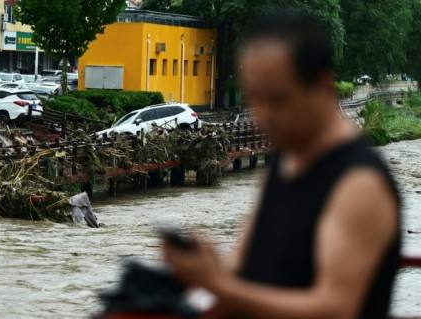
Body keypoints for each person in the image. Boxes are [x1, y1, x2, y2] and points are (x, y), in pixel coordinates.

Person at [163, 9, 400, 319]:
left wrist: (216, 284)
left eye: (277, 99)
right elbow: (245, 262)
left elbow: (336, 309)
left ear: (322, 85)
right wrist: (205, 268)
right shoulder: (287, 159)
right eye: (254, 98)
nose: (262, 116)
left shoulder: (359, 185)